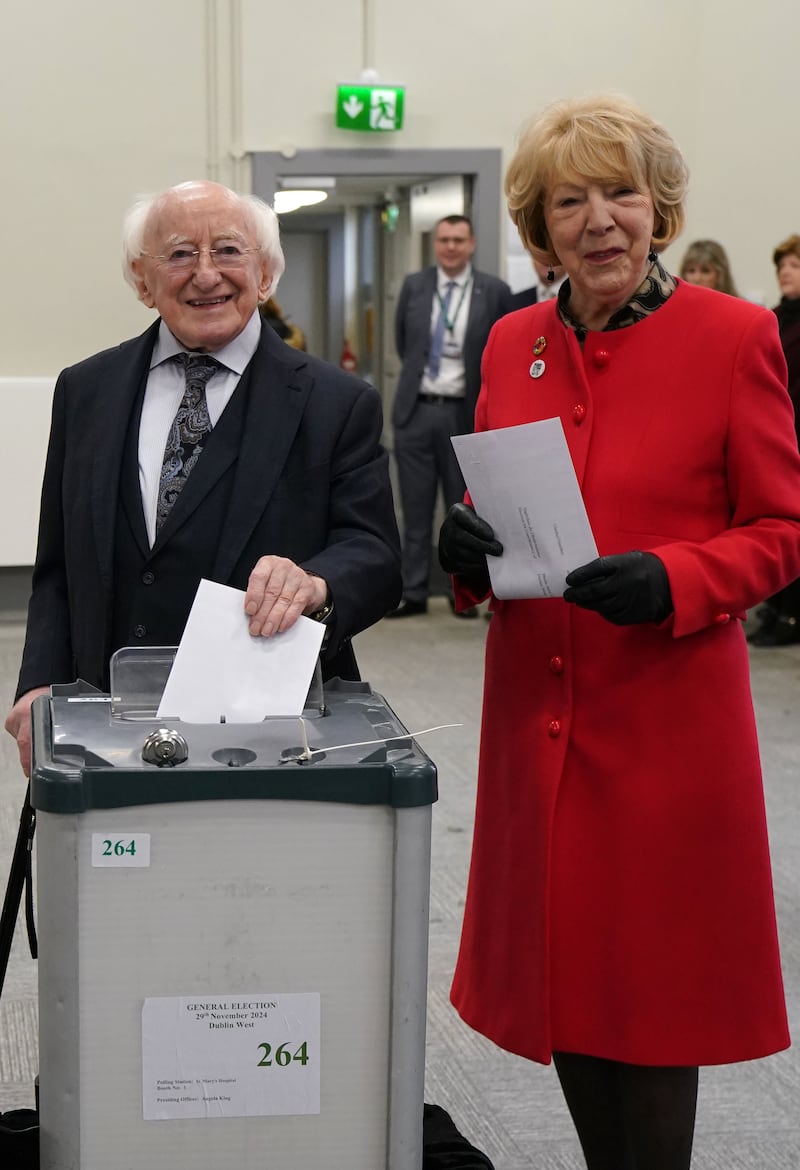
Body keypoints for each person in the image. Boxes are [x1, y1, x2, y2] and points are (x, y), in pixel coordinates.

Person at [437, 95, 800, 1170]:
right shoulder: (511, 343)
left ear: (660, 209)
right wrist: (467, 562)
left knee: (649, 1002)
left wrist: (679, 577)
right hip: (535, 721)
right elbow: (505, 514)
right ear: (537, 225)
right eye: (567, 201)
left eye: (621, 194)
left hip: (660, 732)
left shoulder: (733, 336)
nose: (598, 220)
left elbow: (781, 529)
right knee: (569, 984)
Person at [5, 180, 401, 777]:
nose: (206, 273)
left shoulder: (336, 403)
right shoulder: (86, 391)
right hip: (104, 723)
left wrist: (317, 583)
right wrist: (36, 685)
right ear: (143, 280)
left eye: (229, 251)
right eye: (181, 254)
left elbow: (375, 555)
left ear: (265, 275)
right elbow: (58, 565)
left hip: (271, 730)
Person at [387, 215, 512, 618]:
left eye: (459, 240)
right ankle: (415, 591)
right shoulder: (415, 287)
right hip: (418, 409)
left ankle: (464, 592)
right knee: (415, 507)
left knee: (465, 507)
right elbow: (405, 345)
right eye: (444, 240)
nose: (451, 247)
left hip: (464, 411)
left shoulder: (494, 291)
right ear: (435, 244)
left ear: (472, 243)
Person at [747, 233, 800, 645]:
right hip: (779, 433)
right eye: (782, 265)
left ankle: (793, 616)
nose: (786, 272)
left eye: (795, 265)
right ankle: (775, 609)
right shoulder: (775, 317)